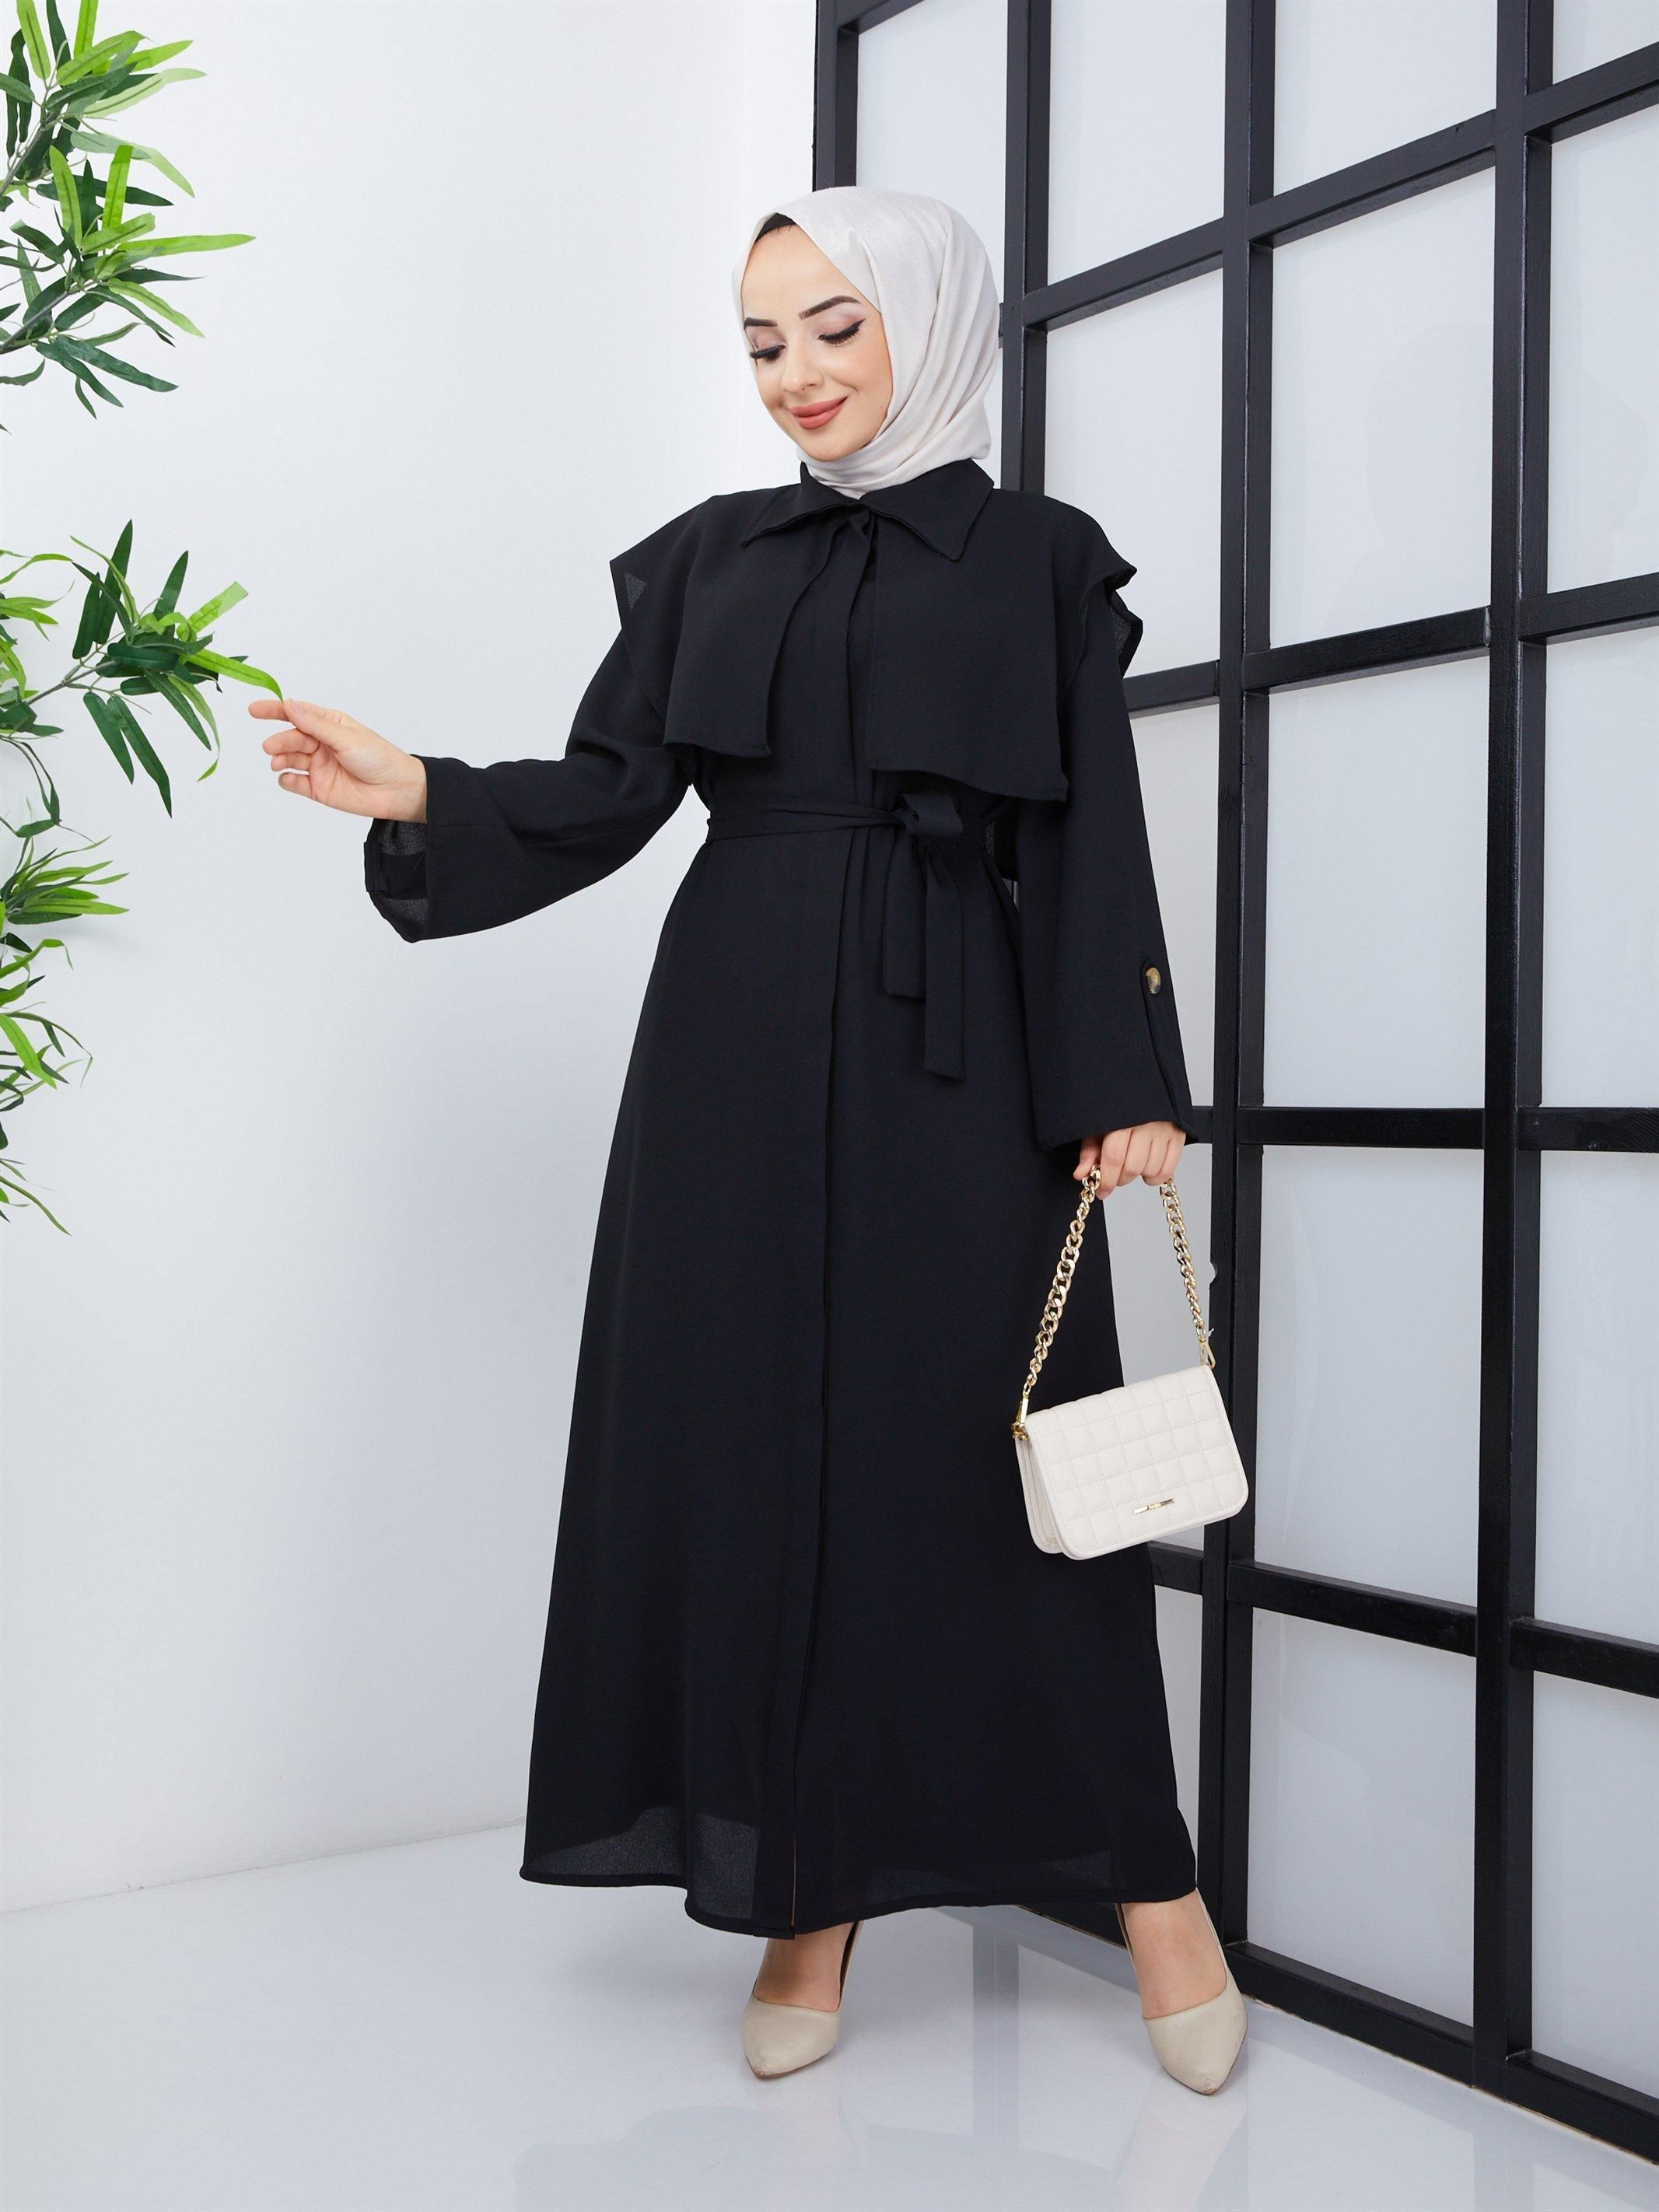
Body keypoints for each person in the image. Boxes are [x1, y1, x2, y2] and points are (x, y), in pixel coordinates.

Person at [250, 185, 1247, 2095]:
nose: (797, 373)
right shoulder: (712, 557)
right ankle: (808, 1892)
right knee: (753, 1455)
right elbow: (610, 794)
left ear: (926, 324)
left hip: (959, 1055)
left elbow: (1082, 832)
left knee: (996, 1471)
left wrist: (1118, 1077)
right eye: (763, 341)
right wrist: (423, 790)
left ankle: (1151, 1890)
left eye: (836, 327)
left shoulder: (1034, 559)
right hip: (730, 1043)